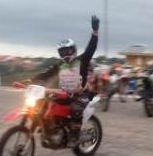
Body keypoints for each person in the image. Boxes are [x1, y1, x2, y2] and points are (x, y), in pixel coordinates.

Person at [25, 15, 99, 147]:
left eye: (68, 51)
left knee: (76, 109)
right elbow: (45, 74)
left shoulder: (82, 60)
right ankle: (50, 130)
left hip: (81, 94)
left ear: (74, 50)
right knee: (44, 105)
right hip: (64, 93)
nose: (65, 55)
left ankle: (75, 137)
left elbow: (91, 49)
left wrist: (95, 33)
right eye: (62, 52)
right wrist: (31, 80)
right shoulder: (60, 65)